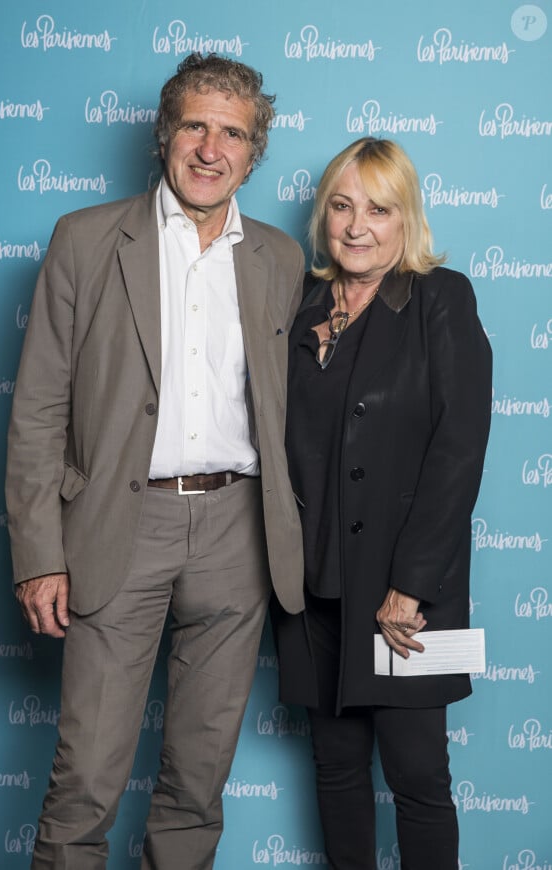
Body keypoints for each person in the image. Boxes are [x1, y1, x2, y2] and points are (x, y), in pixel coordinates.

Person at [5, 52, 304, 870]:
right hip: (118, 525)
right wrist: (38, 556)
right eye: (196, 126)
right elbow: (35, 411)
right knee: (88, 777)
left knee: (198, 780)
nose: (212, 148)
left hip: (238, 532)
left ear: (254, 151)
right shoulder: (87, 239)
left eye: (233, 133)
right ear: (164, 134)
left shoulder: (279, 259)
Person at [272, 137, 492, 870]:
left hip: (406, 593)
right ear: (323, 216)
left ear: (407, 220)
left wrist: (412, 585)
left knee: (419, 778)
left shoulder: (440, 297)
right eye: (341, 205)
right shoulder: (299, 307)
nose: (356, 225)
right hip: (312, 589)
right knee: (335, 774)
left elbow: (458, 449)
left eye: (378, 208)